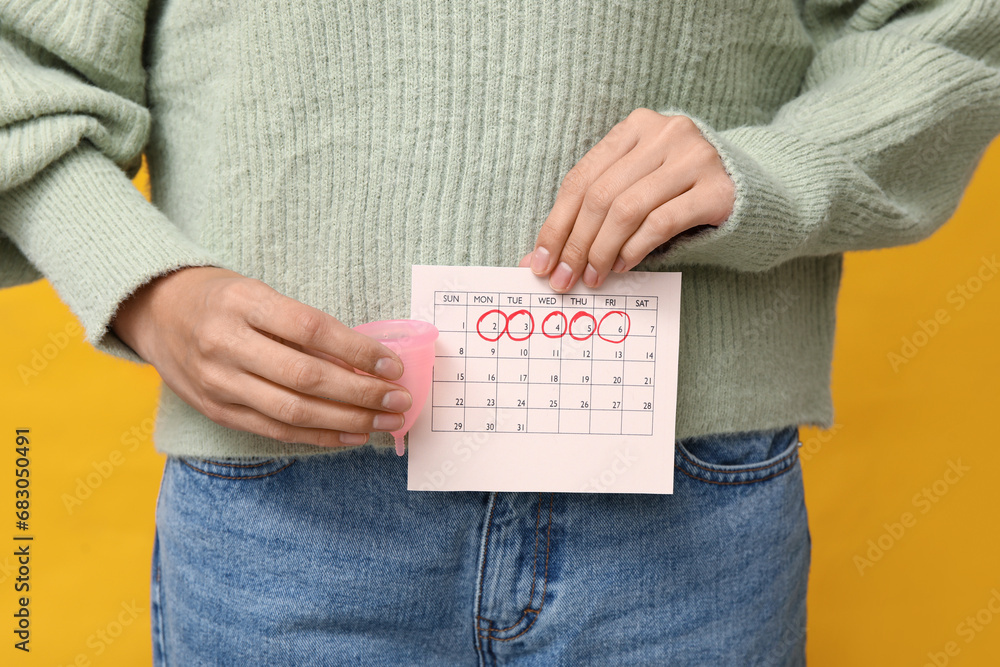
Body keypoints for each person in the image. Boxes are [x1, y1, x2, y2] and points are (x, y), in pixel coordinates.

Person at [2, 0, 998, 664]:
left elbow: (951, 26)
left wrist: (784, 165)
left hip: (684, 507)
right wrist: (142, 285)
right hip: (288, 503)